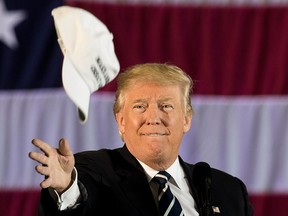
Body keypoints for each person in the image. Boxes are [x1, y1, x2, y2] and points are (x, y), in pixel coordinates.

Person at [29, 63, 254, 216]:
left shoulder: (229, 191)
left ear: (186, 119)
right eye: (140, 107)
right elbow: (79, 202)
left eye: (166, 106)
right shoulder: (94, 172)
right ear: (121, 121)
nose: (153, 117)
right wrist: (67, 188)